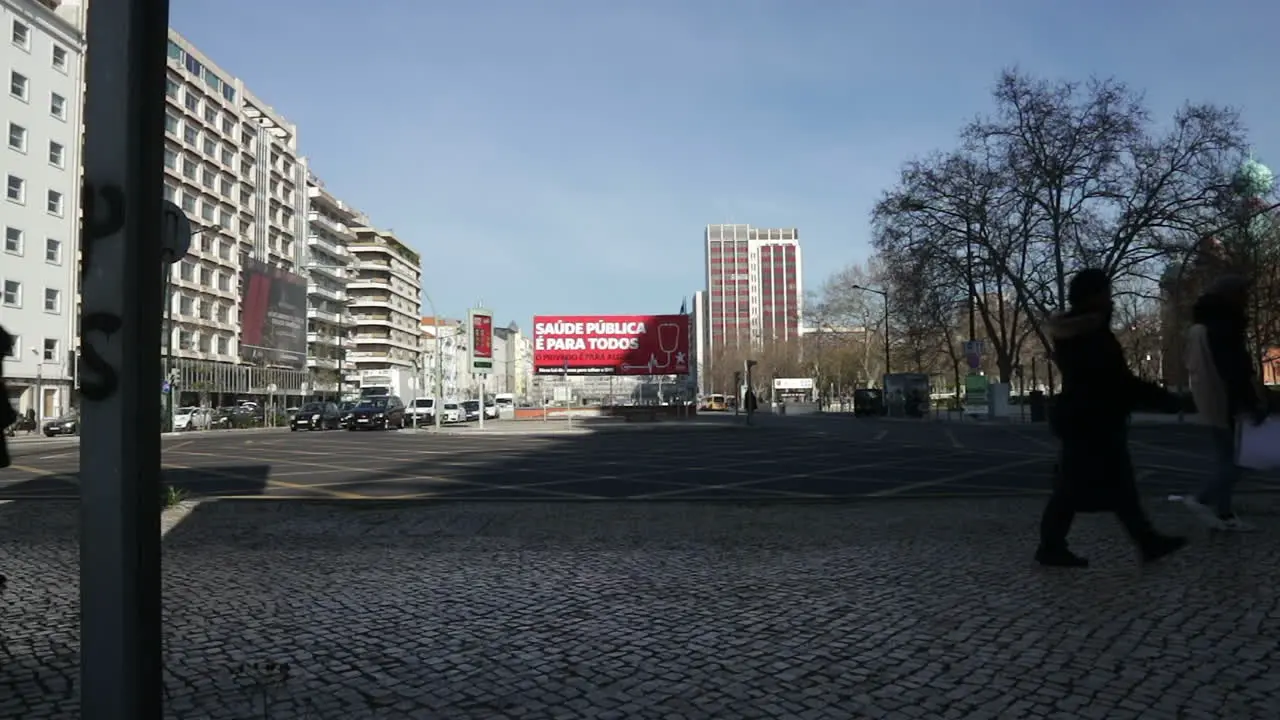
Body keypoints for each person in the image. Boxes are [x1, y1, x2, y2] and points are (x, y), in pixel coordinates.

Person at [1037, 269, 1187, 568]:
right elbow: (1115, 379)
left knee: (1107, 486)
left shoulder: (1078, 331)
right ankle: (1053, 546)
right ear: (1093, 296)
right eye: (1106, 292)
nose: (1111, 299)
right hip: (1093, 418)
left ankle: (1145, 541)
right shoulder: (1091, 334)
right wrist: (1164, 399)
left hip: (1087, 416)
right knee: (1079, 488)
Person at [1183, 274, 1268, 531]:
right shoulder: (1224, 327)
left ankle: (1225, 515)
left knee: (1228, 458)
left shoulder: (1206, 325)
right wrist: (1252, 404)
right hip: (1226, 402)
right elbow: (1235, 371)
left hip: (1213, 401)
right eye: (1243, 293)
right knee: (1240, 460)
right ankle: (1202, 499)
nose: (1247, 298)